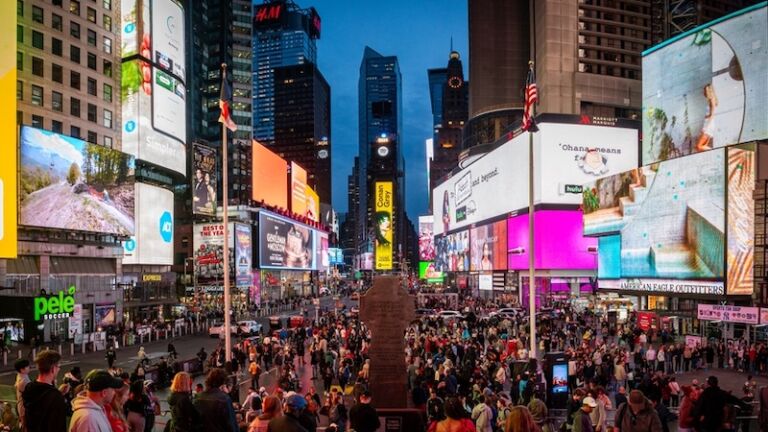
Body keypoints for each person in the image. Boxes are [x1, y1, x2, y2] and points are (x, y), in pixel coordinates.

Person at [23, 350, 68, 432]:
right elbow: (57, 426)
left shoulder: (29, 387)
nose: (58, 369)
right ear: (53, 369)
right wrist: (59, 395)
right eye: (58, 367)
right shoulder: (55, 397)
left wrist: (59, 393)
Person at [695, 84, 718, 152]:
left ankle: (715, 151)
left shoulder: (712, 100)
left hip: (709, 125)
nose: (704, 92)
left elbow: (712, 115)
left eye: (706, 91)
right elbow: (710, 114)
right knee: (700, 147)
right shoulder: (710, 100)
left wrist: (706, 128)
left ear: (709, 91)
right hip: (708, 123)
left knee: (699, 146)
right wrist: (706, 116)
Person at [14, 359, 31, 432]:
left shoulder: (22, 376)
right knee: (26, 426)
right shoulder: (23, 381)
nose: (29, 367)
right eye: (27, 366)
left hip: (23, 406)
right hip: (24, 407)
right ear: (22, 369)